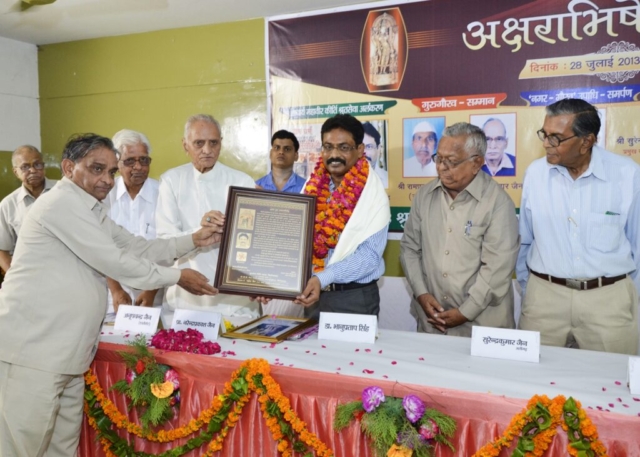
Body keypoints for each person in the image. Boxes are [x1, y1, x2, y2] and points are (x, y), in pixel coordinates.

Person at [0, 133, 222, 457]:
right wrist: (178, 276)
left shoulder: (92, 209)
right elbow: (116, 262)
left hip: (68, 357)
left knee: (61, 449)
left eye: (110, 171)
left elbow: (137, 246)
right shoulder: (60, 204)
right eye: (96, 169)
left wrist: (194, 240)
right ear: (68, 167)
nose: (106, 179)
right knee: (22, 448)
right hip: (34, 355)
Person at [517, 98, 640, 355]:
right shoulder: (535, 175)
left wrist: (626, 299)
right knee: (531, 385)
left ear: (586, 141)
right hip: (544, 301)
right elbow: (524, 240)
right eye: (544, 134)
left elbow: (637, 245)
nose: (546, 144)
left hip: (607, 302)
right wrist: (533, 291)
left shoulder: (627, 174)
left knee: (611, 384)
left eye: (556, 138)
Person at [400, 122, 519, 336]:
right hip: (432, 321)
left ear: (476, 163)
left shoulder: (497, 203)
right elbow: (410, 248)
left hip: (481, 324)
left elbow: (497, 267)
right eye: (439, 159)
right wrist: (421, 293)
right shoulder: (424, 196)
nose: (441, 167)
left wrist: (466, 311)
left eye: (451, 162)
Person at [156, 114, 260, 318]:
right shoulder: (171, 180)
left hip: (235, 300)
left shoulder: (242, 181)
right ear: (185, 145)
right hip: (186, 297)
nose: (207, 150)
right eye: (199, 143)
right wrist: (199, 231)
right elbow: (165, 243)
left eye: (213, 143)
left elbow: (254, 244)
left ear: (221, 143)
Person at [294, 114, 390, 317]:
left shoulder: (372, 196)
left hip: (353, 298)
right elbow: (296, 242)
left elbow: (370, 257)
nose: (334, 154)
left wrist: (323, 278)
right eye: (328, 147)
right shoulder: (310, 188)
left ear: (360, 150)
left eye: (344, 147)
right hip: (313, 296)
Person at [105, 129, 162, 312]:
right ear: (116, 162)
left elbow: (168, 247)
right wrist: (116, 290)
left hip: (155, 294)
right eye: (130, 161)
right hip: (113, 294)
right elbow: (99, 247)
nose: (138, 167)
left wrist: (151, 291)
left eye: (144, 160)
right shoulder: (105, 195)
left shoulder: (164, 194)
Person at [0, 145, 56, 272]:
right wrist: (14, 277)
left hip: (66, 272)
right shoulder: (8, 205)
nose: (32, 170)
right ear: (15, 172)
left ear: (44, 166)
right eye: (25, 167)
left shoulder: (64, 192)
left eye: (37, 165)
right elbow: (2, 249)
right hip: (29, 273)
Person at [363, 122, 389, 188]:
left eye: (369, 147)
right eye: (360, 147)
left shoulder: (388, 179)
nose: (364, 152)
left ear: (378, 149)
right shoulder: (343, 180)